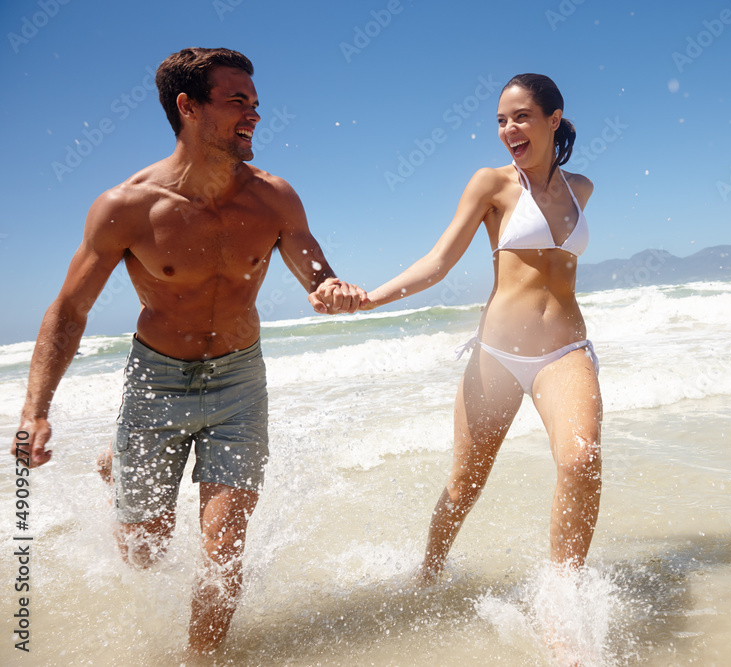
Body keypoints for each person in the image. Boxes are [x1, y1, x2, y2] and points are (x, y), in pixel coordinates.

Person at [10, 47, 364, 655]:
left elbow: (316, 273)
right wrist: (36, 409)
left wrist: (330, 289)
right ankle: (115, 464)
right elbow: (69, 311)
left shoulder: (275, 198)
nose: (254, 114)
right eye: (237, 102)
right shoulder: (128, 206)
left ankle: (204, 660)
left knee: (225, 543)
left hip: (239, 381)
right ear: (188, 107)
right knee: (144, 552)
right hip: (157, 381)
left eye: (254, 102)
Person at [314, 73, 602, 583]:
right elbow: (439, 261)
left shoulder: (581, 188)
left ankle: (566, 603)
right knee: (465, 484)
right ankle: (428, 575)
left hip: (565, 350)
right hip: (499, 355)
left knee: (581, 464)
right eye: (501, 121)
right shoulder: (491, 184)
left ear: (553, 121)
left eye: (521, 117)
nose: (509, 129)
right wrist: (369, 299)